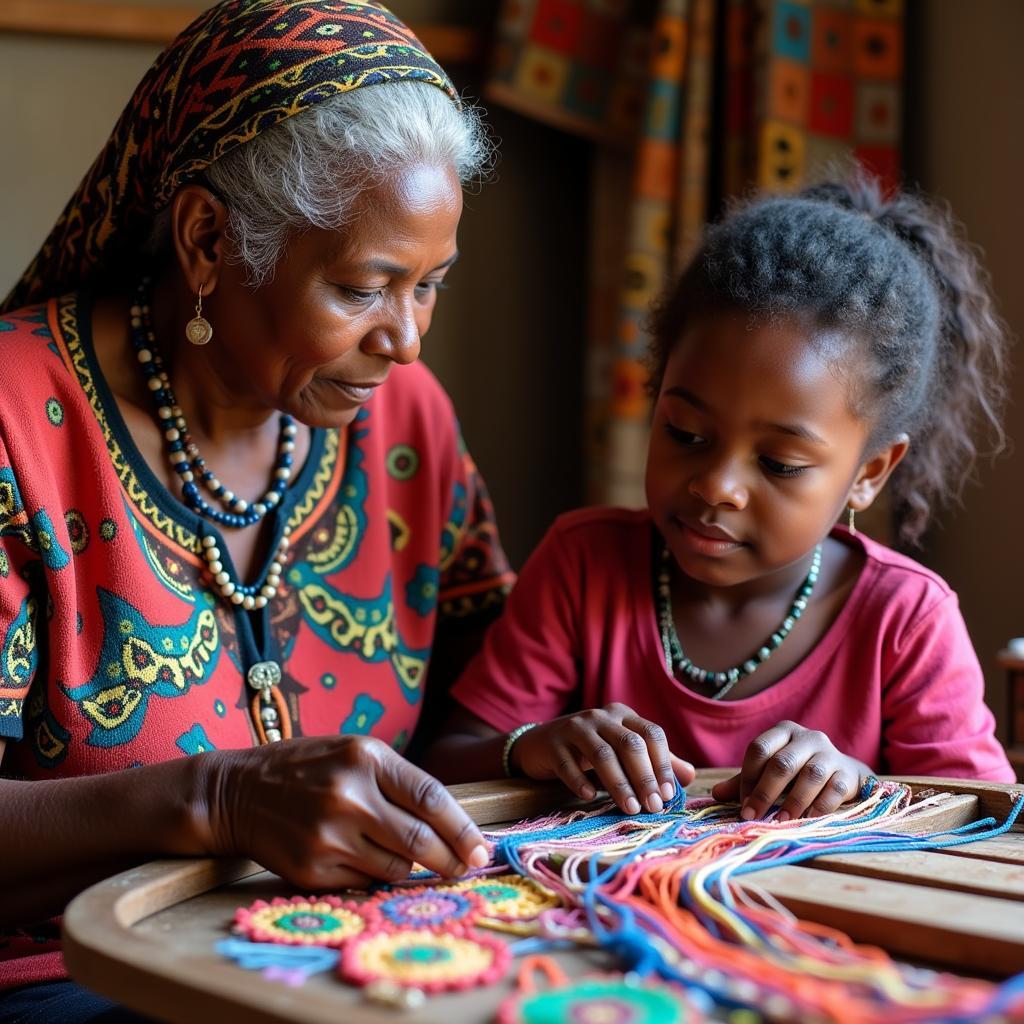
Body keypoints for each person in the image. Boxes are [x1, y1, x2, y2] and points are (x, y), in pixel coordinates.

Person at [0, 1, 515, 1017]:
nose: (406, 339)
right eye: (365, 287)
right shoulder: (16, 422)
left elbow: (481, 710)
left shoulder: (402, 420)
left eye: (431, 285)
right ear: (205, 241)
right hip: (74, 984)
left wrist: (538, 740)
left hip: (367, 968)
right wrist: (221, 798)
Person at [427, 174, 1016, 822]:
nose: (716, 486)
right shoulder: (582, 566)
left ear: (870, 472)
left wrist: (862, 784)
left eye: (779, 463)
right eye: (685, 433)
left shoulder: (905, 621)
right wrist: (533, 747)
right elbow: (446, 760)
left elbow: (986, 819)